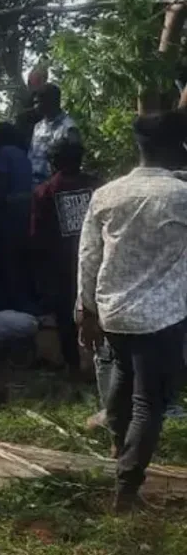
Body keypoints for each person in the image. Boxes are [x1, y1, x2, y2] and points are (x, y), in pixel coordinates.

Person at [77, 110, 187, 512]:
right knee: (149, 404)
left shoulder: (106, 194)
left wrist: (85, 310)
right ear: (176, 147)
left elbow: (88, 257)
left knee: (122, 388)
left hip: (114, 313)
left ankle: (117, 453)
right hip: (162, 317)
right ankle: (126, 490)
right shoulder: (180, 195)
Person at [30, 140, 99, 375]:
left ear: (53, 162)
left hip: (60, 267)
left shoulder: (45, 192)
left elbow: (37, 235)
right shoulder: (95, 187)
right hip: (95, 261)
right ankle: (101, 363)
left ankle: (74, 365)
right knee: (98, 310)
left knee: (66, 316)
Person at [0, 122, 34, 313]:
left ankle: (7, 303)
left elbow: (0, 186)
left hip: (9, 212)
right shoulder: (21, 153)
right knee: (19, 260)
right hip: (24, 212)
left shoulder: (4, 154)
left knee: (6, 259)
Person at [29, 84, 80, 185]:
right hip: (34, 184)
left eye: (37, 102)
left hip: (54, 186)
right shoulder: (38, 127)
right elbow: (31, 155)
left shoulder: (69, 127)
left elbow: (75, 160)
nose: (34, 106)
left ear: (50, 101)